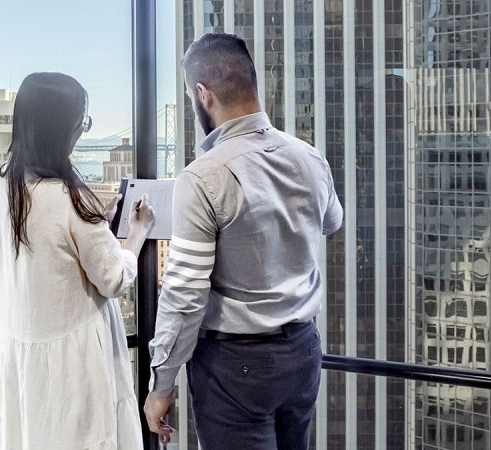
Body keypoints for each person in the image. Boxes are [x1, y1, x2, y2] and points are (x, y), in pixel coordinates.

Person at [143, 33, 344, 449]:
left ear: (203, 94)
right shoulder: (309, 157)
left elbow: (184, 294)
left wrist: (161, 385)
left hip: (236, 366)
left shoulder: (203, 176)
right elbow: (331, 222)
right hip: (303, 353)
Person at [0, 72, 155, 450]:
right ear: (63, 129)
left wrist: (97, 226)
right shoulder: (70, 198)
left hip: (22, 352)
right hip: (72, 362)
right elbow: (112, 279)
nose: (81, 131)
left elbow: (50, 246)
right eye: (81, 122)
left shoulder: (4, 183)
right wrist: (137, 231)